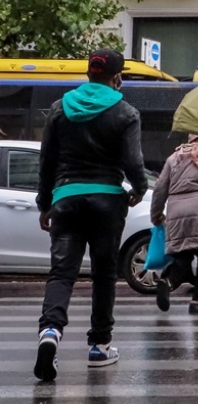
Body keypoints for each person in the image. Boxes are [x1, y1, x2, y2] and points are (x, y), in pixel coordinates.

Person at [34, 49, 148, 381]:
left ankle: (50, 333)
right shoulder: (126, 112)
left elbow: (47, 162)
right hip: (107, 202)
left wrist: (45, 204)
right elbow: (132, 161)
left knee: (61, 274)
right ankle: (99, 345)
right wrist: (138, 189)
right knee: (103, 274)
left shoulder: (59, 108)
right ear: (117, 77)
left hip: (66, 199)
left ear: (88, 74)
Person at [150, 135, 198, 315]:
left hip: (176, 211)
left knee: (183, 254)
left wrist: (156, 215)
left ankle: (168, 280)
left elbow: (160, 188)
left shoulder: (173, 159)